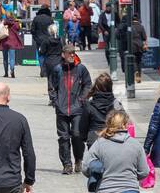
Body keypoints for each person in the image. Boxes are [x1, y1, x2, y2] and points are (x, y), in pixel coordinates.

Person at [51, 43, 92, 174]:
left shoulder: (81, 69)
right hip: (62, 109)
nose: (72, 55)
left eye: (73, 53)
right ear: (63, 55)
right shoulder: (57, 69)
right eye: (69, 53)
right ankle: (67, 164)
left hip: (77, 108)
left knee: (77, 135)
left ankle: (78, 159)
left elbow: (88, 85)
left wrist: (82, 99)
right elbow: (52, 87)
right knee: (63, 137)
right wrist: (55, 101)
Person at [83, 72, 118, 146]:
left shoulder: (89, 105)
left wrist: (85, 137)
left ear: (96, 87)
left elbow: (83, 125)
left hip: (94, 140)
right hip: (112, 139)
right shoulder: (116, 104)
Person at [38, 23, 63, 103]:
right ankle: (59, 97)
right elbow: (64, 49)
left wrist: (40, 50)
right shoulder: (61, 40)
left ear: (49, 31)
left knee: (50, 80)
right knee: (59, 79)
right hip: (59, 61)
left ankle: (52, 98)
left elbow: (41, 52)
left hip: (49, 61)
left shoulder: (46, 41)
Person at [0, 11, 23, 78]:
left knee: (5, 58)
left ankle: (6, 73)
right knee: (12, 58)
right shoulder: (16, 23)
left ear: (6, 16)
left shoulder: (4, 23)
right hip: (12, 42)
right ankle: (12, 70)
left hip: (4, 42)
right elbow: (18, 29)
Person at [129, 15, 148, 83]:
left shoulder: (130, 27)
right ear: (138, 20)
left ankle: (135, 71)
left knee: (133, 60)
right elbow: (144, 37)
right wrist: (145, 44)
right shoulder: (141, 27)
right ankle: (139, 76)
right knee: (139, 61)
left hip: (132, 45)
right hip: (140, 45)